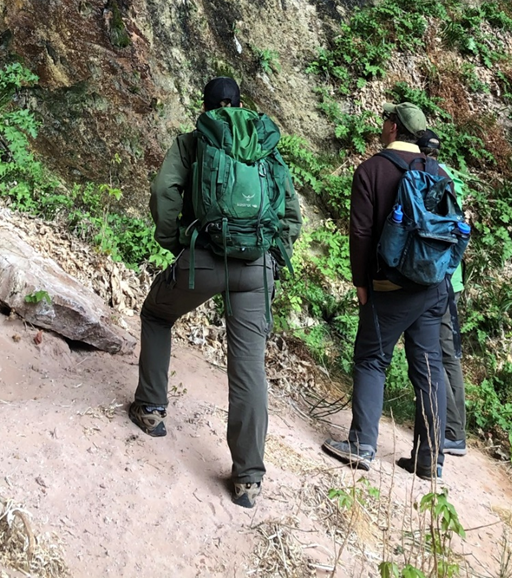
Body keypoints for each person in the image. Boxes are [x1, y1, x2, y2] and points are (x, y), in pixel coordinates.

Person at [129, 76, 302, 509]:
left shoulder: (194, 141)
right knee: (248, 367)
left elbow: (163, 191)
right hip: (257, 265)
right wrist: (275, 257)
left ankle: (151, 411)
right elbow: (290, 211)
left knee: (156, 314)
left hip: (205, 256)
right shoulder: (265, 144)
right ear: (242, 105)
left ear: (205, 108)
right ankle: (247, 480)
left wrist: (175, 241)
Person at [322, 102, 453, 482]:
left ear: (393, 127)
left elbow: (361, 234)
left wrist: (361, 283)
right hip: (433, 288)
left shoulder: (371, 171)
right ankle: (430, 459)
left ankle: (362, 446)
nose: (382, 127)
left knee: (372, 358)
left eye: (385, 121)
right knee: (430, 369)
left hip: (389, 286)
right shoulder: (438, 172)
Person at [420, 132, 467, 459]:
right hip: (453, 278)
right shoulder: (453, 179)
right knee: (449, 356)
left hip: (433, 279)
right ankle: (456, 431)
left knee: (436, 353)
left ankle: (450, 431)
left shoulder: (422, 177)